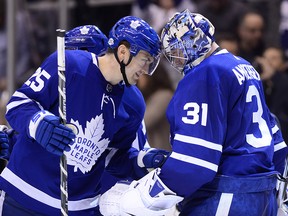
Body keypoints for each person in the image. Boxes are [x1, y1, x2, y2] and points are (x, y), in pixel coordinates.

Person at [99, 9, 288, 216]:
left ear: (193, 41)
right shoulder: (244, 67)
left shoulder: (204, 74)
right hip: (263, 193)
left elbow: (195, 164)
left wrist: (147, 196)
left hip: (226, 195)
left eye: (176, 50)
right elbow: (276, 143)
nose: (176, 60)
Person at [0, 16, 163, 215]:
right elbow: (18, 104)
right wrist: (37, 123)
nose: (146, 70)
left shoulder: (134, 104)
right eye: (145, 61)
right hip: (23, 196)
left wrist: (140, 161)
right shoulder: (68, 64)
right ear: (123, 52)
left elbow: (113, 158)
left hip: (79, 208)